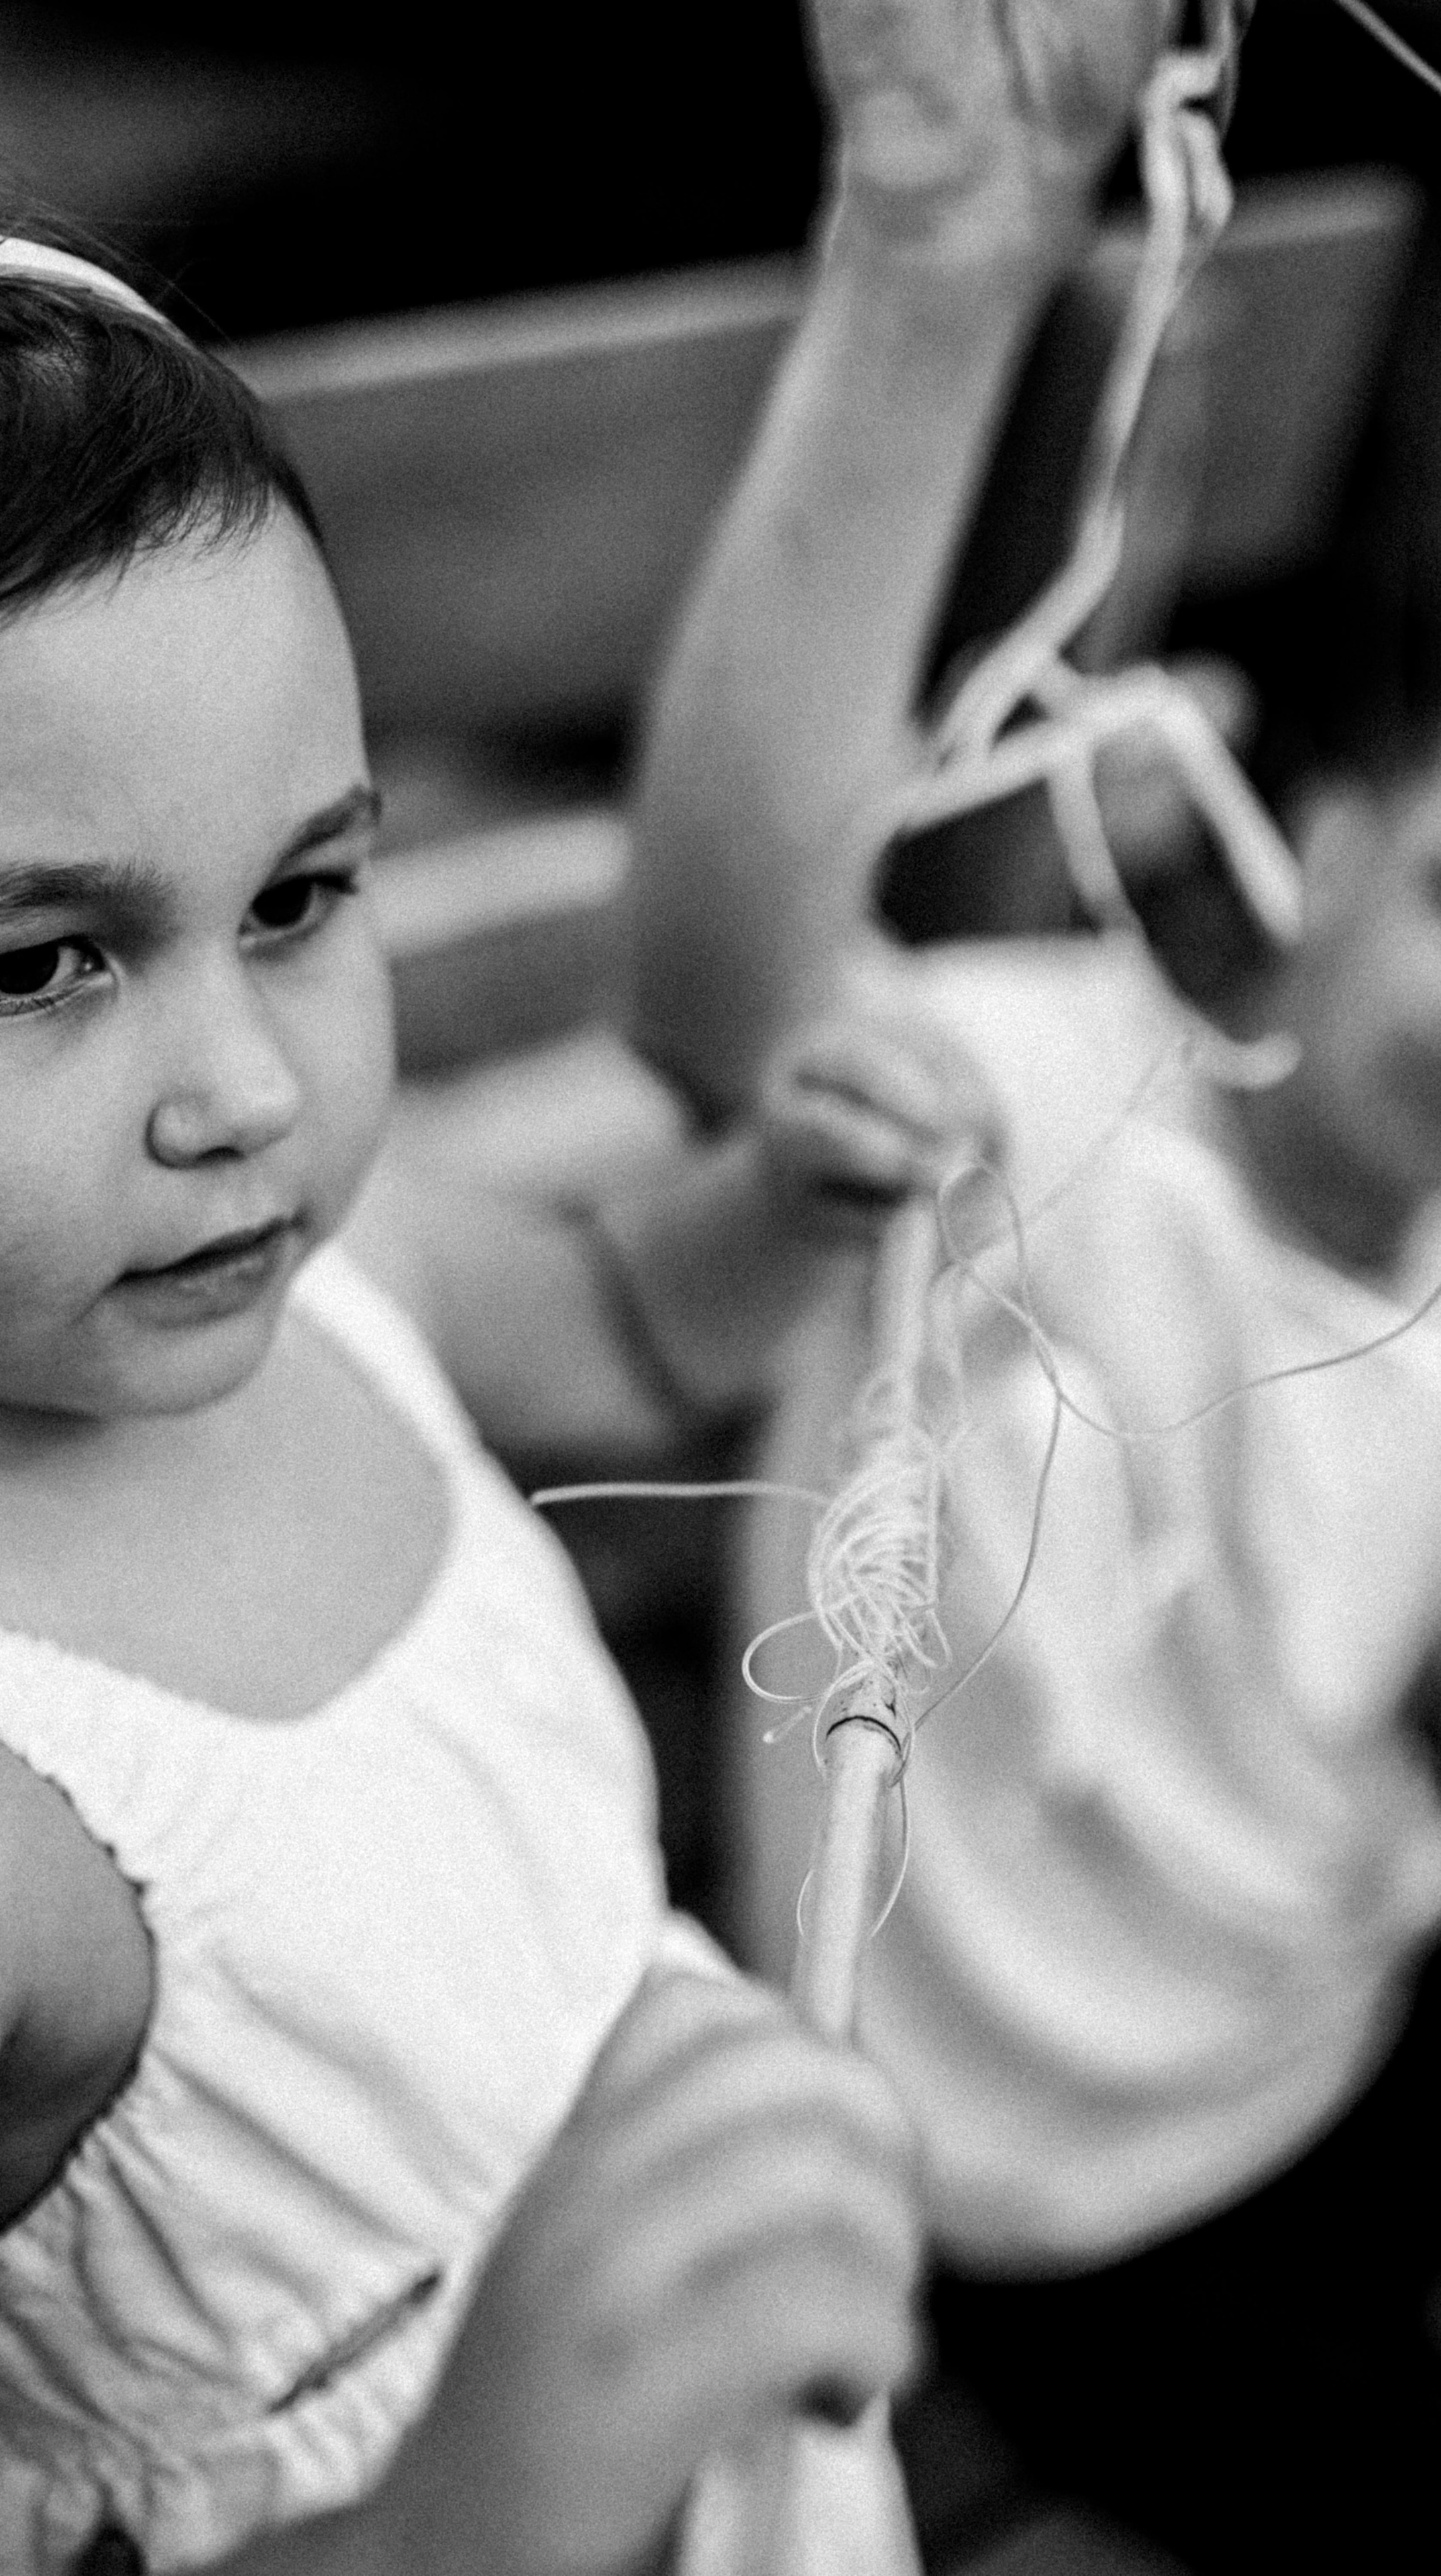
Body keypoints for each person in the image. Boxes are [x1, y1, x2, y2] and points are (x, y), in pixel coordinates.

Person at [627, 1, 1441, 2563]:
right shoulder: (1017, 1093)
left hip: (1323, 2027)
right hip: (1025, 2191)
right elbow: (722, 1005)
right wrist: (931, 265)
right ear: (1318, 848)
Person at [0, 231, 979, 2575]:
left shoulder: (328, 1268)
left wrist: (778, 1208)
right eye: (43, 959)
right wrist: (476, 2504)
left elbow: (631, 1326)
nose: (241, 1090)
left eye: (303, 897)